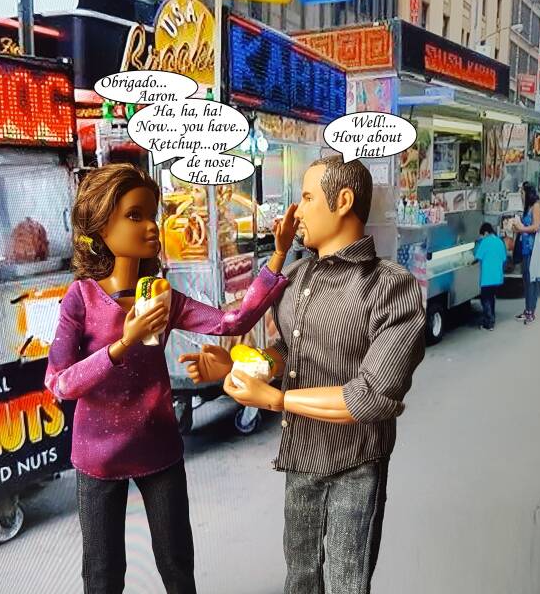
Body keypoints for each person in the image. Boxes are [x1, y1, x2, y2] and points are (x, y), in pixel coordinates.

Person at [179, 156, 426, 594]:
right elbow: (290, 351)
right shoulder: (295, 276)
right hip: (302, 454)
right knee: (300, 576)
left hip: (356, 461)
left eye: (308, 197)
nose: (296, 210)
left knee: (348, 581)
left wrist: (276, 400)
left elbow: (370, 396)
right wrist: (237, 367)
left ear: (343, 201)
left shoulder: (391, 286)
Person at [44, 163, 294, 594]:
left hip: (158, 444)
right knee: (102, 573)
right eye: (135, 215)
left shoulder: (160, 296)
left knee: (176, 562)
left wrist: (277, 256)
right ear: (101, 225)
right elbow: (60, 383)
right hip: (98, 455)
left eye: (152, 215)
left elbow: (232, 321)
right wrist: (124, 343)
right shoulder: (81, 299)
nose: (151, 227)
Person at [513, 182, 540, 325]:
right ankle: (528, 309)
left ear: (528, 193)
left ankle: (530, 311)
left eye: (522, 193)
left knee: (531, 279)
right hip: (526, 247)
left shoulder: (536, 206)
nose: (521, 195)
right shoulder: (528, 207)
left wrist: (521, 229)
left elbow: (536, 226)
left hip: (533, 248)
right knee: (526, 279)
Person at [474, 222, 507, 331]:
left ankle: (489, 323)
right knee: (492, 298)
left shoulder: (485, 242)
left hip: (487, 277)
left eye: (482, 235)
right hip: (497, 277)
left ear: (486, 233)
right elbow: (504, 258)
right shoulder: (500, 242)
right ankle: (492, 319)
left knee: (485, 300)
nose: (481, 237)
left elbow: (477, 256)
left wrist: (477, 244)